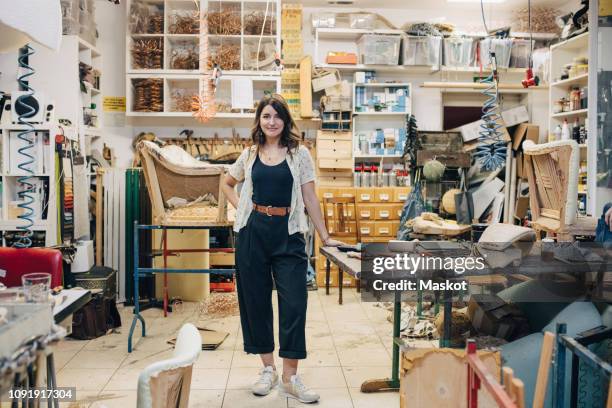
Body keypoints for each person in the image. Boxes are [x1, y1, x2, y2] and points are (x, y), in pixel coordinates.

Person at [221, 94, 343, 404]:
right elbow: (226, 183)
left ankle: (290, 377)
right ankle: (268, 369)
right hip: (253, 235)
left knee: (294, 304)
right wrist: (242, 209)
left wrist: (326, 237)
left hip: (288, 235)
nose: (271, 121)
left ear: (285, 120)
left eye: (276, 116)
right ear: (259, 121)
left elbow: (311, 198)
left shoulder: (299, 154)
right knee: (256, 303)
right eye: (266, 116)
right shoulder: (249, 154)